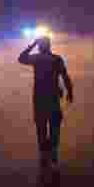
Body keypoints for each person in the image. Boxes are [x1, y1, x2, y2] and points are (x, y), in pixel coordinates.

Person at [18, 36, 74, 169]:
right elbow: (65, 76)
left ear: (40, 46)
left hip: (39, 98)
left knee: (41, 127)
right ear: (49, 46)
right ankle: (53, 152)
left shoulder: (36, 58)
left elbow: (21, 58)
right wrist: (69, 92)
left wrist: (32, 44)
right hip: (53, 97)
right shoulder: (56, 59)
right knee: (54, 126)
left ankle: (44, 154)